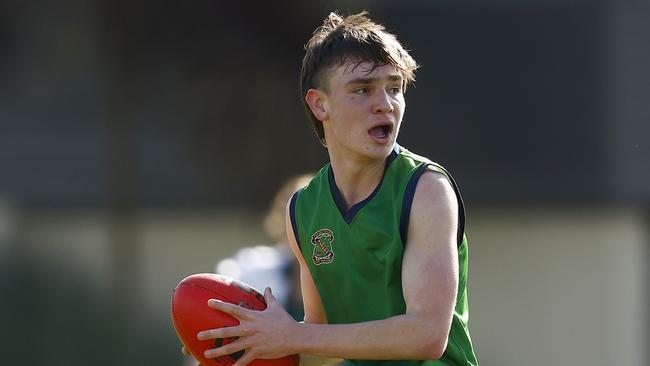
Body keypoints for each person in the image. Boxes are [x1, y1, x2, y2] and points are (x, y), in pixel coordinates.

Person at [195, 11, 479, 366]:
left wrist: (293, 335)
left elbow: (426, 335)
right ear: (319, 104)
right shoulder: (302, 208)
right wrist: (238, 344)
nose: (386, 104)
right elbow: (320, 344)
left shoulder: (426, 189)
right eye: (363, 89)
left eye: (394, 88)